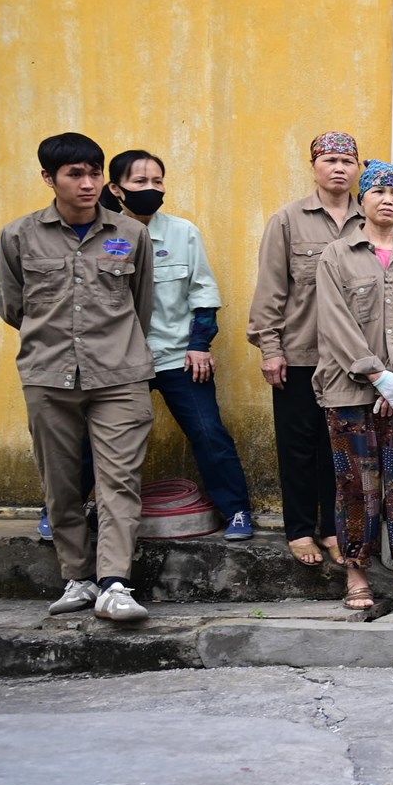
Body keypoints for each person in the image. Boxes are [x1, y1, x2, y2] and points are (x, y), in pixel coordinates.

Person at [0, 133, 156, 622]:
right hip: (49, 375)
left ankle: (114, 584)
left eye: (94, 173)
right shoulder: (18, 236)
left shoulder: (131, 234)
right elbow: (11, 304)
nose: (88, 184)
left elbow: (141, 303)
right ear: (49, 178)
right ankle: (78, 578)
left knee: (119, 481)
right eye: (75, 174)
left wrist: (115, 347)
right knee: (61, 482)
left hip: (120, 375)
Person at [105, 150, 256, 542]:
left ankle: (237, 510)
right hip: (120, 361)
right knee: (100, 440)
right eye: (140, 182)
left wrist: (200, 344)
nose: (151, 189)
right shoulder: (100, 236)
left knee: (209, 433)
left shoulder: (183, 232)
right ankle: (61, 510)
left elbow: (202, 292)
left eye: (157, 181)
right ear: (116, 189)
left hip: (179, 356)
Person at [311, 161, 393, 610]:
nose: (388, 199)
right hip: (349, 392)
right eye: (379, 191)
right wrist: (376, 375)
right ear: (362, 198)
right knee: (355, 486)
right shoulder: (337, 255)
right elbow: (334, 321)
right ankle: (356, 574)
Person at [249, 132, 363, 570]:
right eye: (330, 159)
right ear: (314, 166)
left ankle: (334, 529)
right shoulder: (288, 220)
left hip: (351, 360)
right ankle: (299, 529)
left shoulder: (369, 219)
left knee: (340, 449)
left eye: (347, 161)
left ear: (357, 169)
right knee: (297, 446)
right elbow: (271, 289)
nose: (339, 168)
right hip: (298, 353)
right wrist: (270, 348)